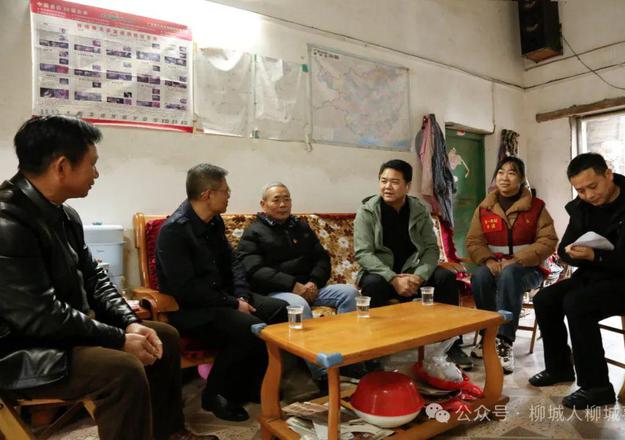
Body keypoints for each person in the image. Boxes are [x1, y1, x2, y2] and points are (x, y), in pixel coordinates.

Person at [0, 116, 213, 440]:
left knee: (163, 336)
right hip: (20, 350)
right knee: (121, 369)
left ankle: (169, 433)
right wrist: (116, 339)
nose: (96, 174)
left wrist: (129, 323)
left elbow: (95, 278)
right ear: (61, 167)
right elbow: (38, 316)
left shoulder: (64, 213)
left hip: (61, 332)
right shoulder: (8, 222)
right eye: (92, 164)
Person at [156, 164, 288, 422]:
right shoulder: (174, 231)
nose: (229, 196)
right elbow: (186, 288)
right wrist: (233, 303)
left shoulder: (213, 221)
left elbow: (233, 262)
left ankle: (254, 383)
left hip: (223, 299)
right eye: (225, 191)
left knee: (278, 310)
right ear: (207, 194)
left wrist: (242, 297)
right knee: (248, 326)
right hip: (191, 309)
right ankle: (216, 394)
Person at [529, 153, 625, 409]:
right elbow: (565, 248)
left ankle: (597, 386)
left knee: (578, 303)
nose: (588, 195)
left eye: (593, 186)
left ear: (608, 174)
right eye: (580, 190)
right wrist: (572, 253)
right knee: (545, 299)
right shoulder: (582, 207)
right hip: (597, 275)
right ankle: (559, 368)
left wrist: (597, 256)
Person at [236, 182, 359, 385]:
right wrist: (293, 285)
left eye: (287, 199)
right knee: (298, 306)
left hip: (308, 286)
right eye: (276, 200)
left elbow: (321, 258)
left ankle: (348, 358)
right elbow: (254, 270)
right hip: (276, 291)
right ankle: (320, 372)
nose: (283, 204)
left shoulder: (300, 226)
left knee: (349, 293)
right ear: (263, 204)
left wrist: (314, 282)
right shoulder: (254, 232)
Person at [353, 159, 471, 369]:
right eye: (383, 181)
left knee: (445, 278)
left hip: (413, 273)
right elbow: (363, 253)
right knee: (372, 285)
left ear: (407, 186)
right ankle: (374, 351)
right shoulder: (367, 211)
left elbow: (431, 249)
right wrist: (393, 279)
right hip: (382, 274)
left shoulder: (419, 210)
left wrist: (419, 276)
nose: (387, 187)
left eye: (394, 182)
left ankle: (452, 344)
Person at [465, 156, 558, 374]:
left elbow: (548, 240)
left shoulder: (536, 207)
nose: (504, 177)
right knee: (480, 276)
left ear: (522, 178)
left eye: (511, 172)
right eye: (500, 172)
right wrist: (488, 260)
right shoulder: (484, 208)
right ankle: (488, 336)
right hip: (495, 266)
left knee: (510, 275)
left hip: (529, 269)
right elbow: (473, 241)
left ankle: (504, 341)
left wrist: (516, 260)